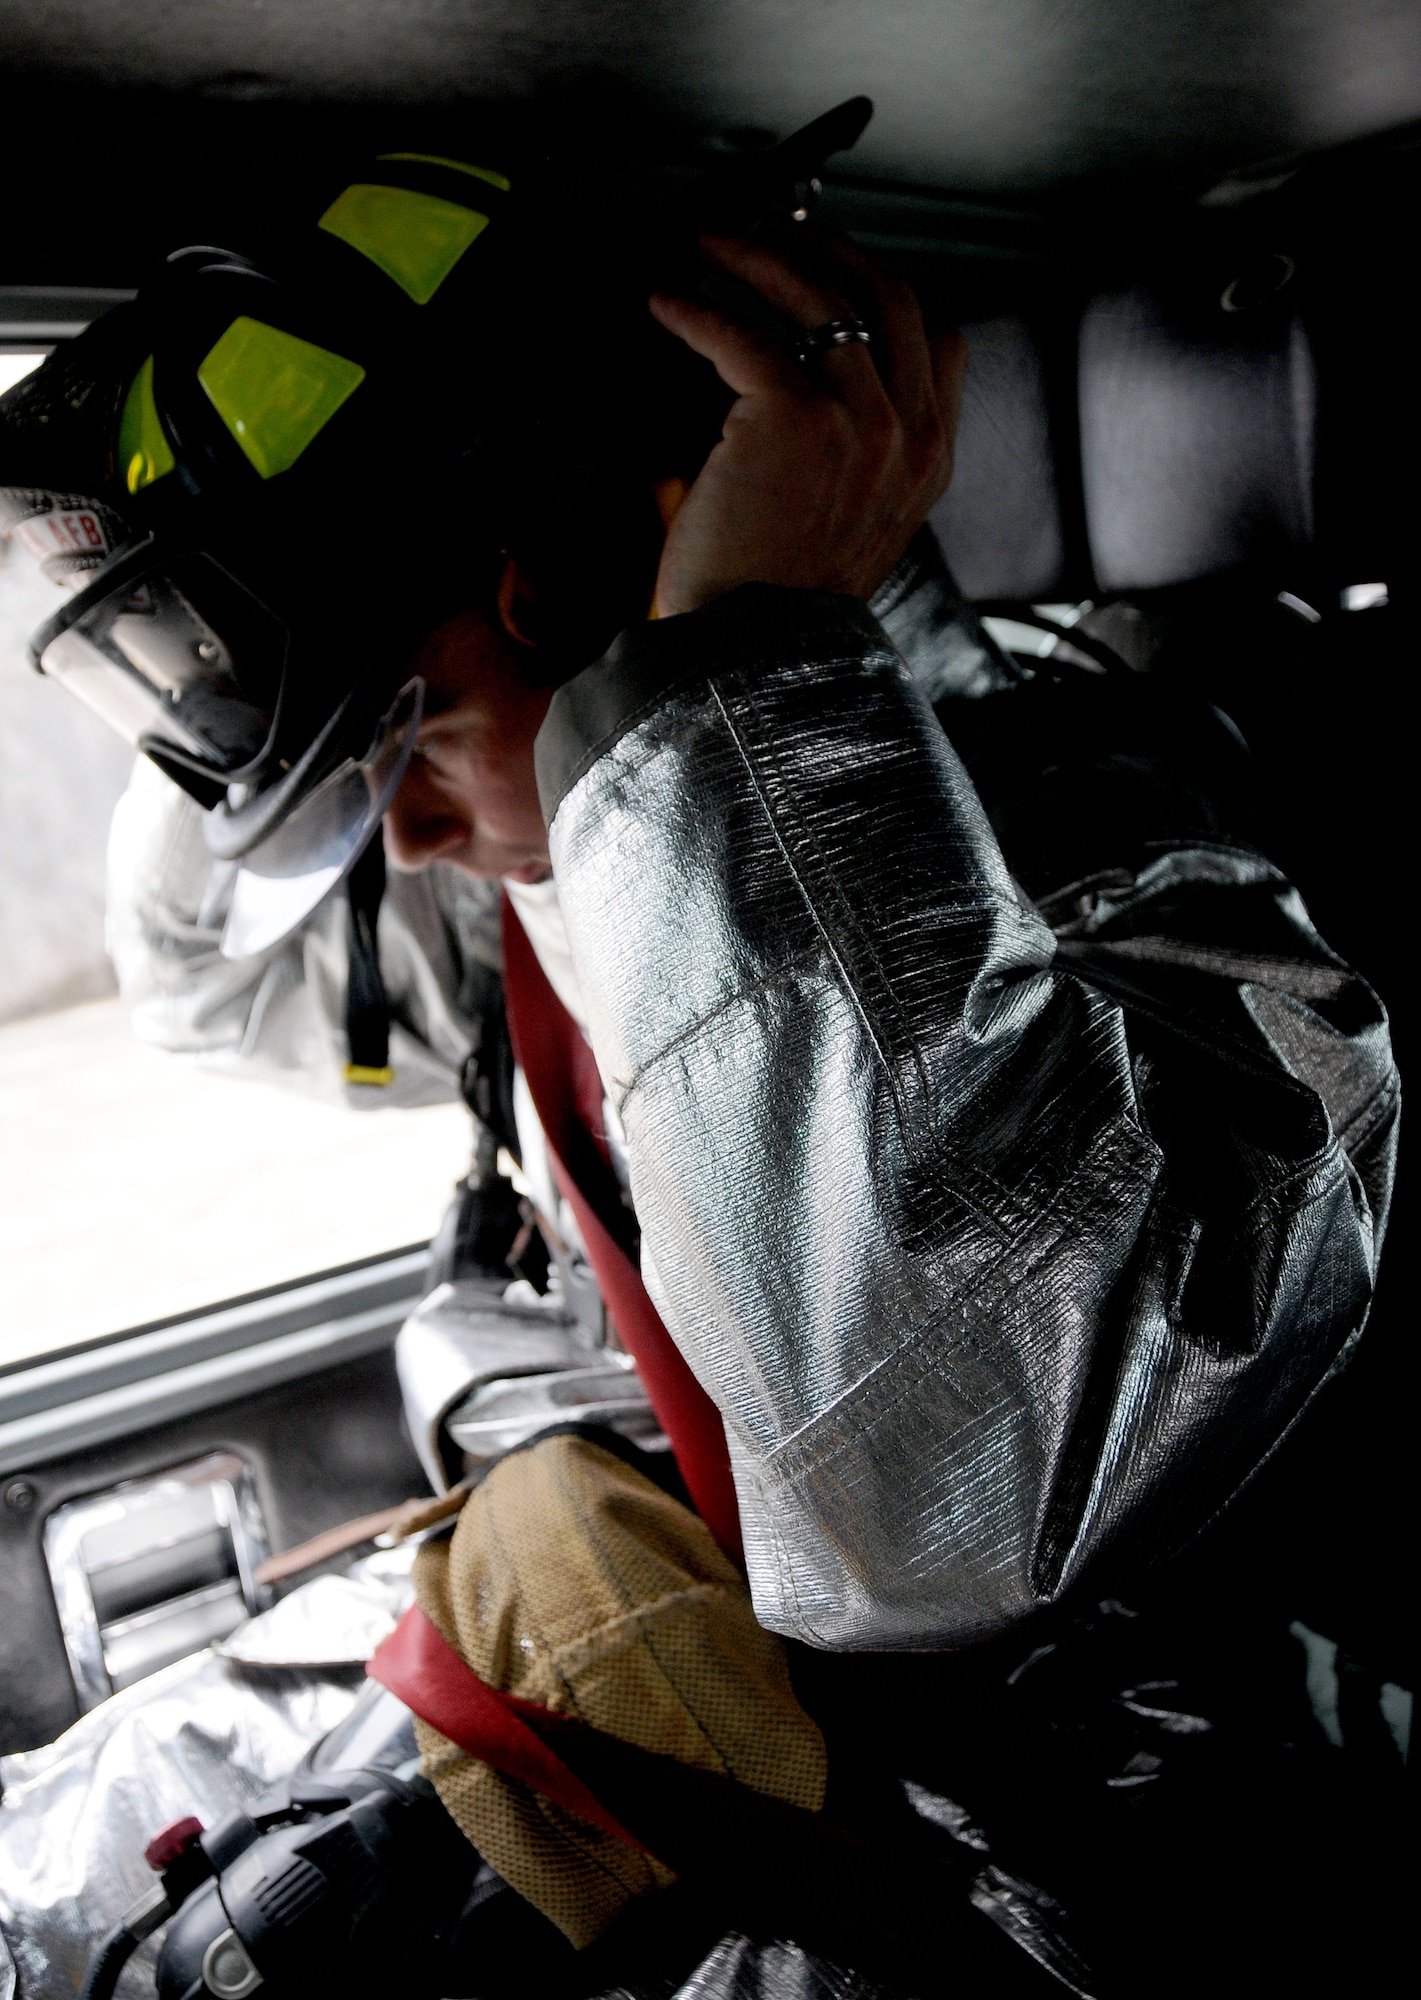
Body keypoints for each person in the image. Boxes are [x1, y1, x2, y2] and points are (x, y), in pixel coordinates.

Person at [0, 134, 1400, 1993]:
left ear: (614, 555)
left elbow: (956, 1485)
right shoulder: (540, 890)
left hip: (1119, 1841)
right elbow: (194, 982)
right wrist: (283, 637)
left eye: (408, 735)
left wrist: (733, 650)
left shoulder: (1112, 838)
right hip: (753, 1667)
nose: (400, 839)